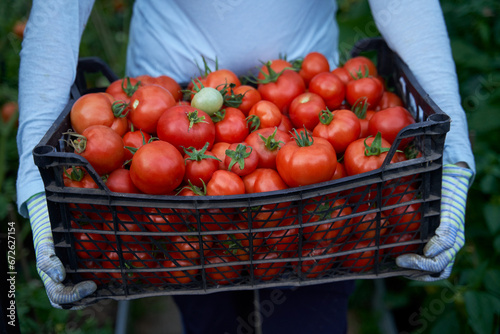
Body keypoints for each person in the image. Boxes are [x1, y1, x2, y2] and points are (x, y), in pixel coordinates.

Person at [17, 1, 475, 333]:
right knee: (202, 301)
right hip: (162, 114)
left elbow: (408, 5)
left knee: (313, 301)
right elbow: (57, 12)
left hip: (310, 107)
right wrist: (35, 185)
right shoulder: (153, 143)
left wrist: (453, 159)